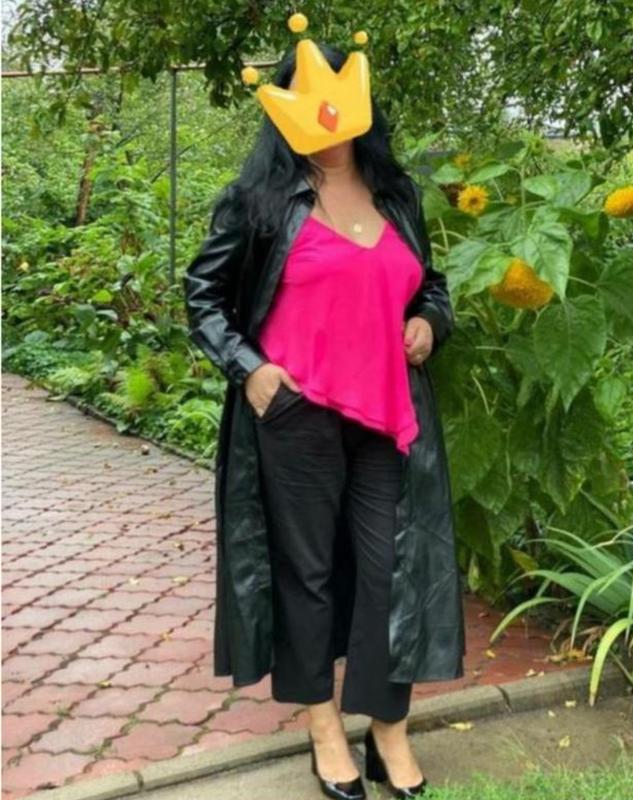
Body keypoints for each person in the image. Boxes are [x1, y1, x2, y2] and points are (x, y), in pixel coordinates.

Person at [183, 42, 466, 800]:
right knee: (304, 575)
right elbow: (203, 297)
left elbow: (430, 287)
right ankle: (323, 730)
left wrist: (429, 323)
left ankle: (388, 729)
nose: (330, 121)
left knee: (389, 571)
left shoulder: (395, 194)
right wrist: (250, 369)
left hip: (388, 415)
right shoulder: (259, 201)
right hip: (296, 415)